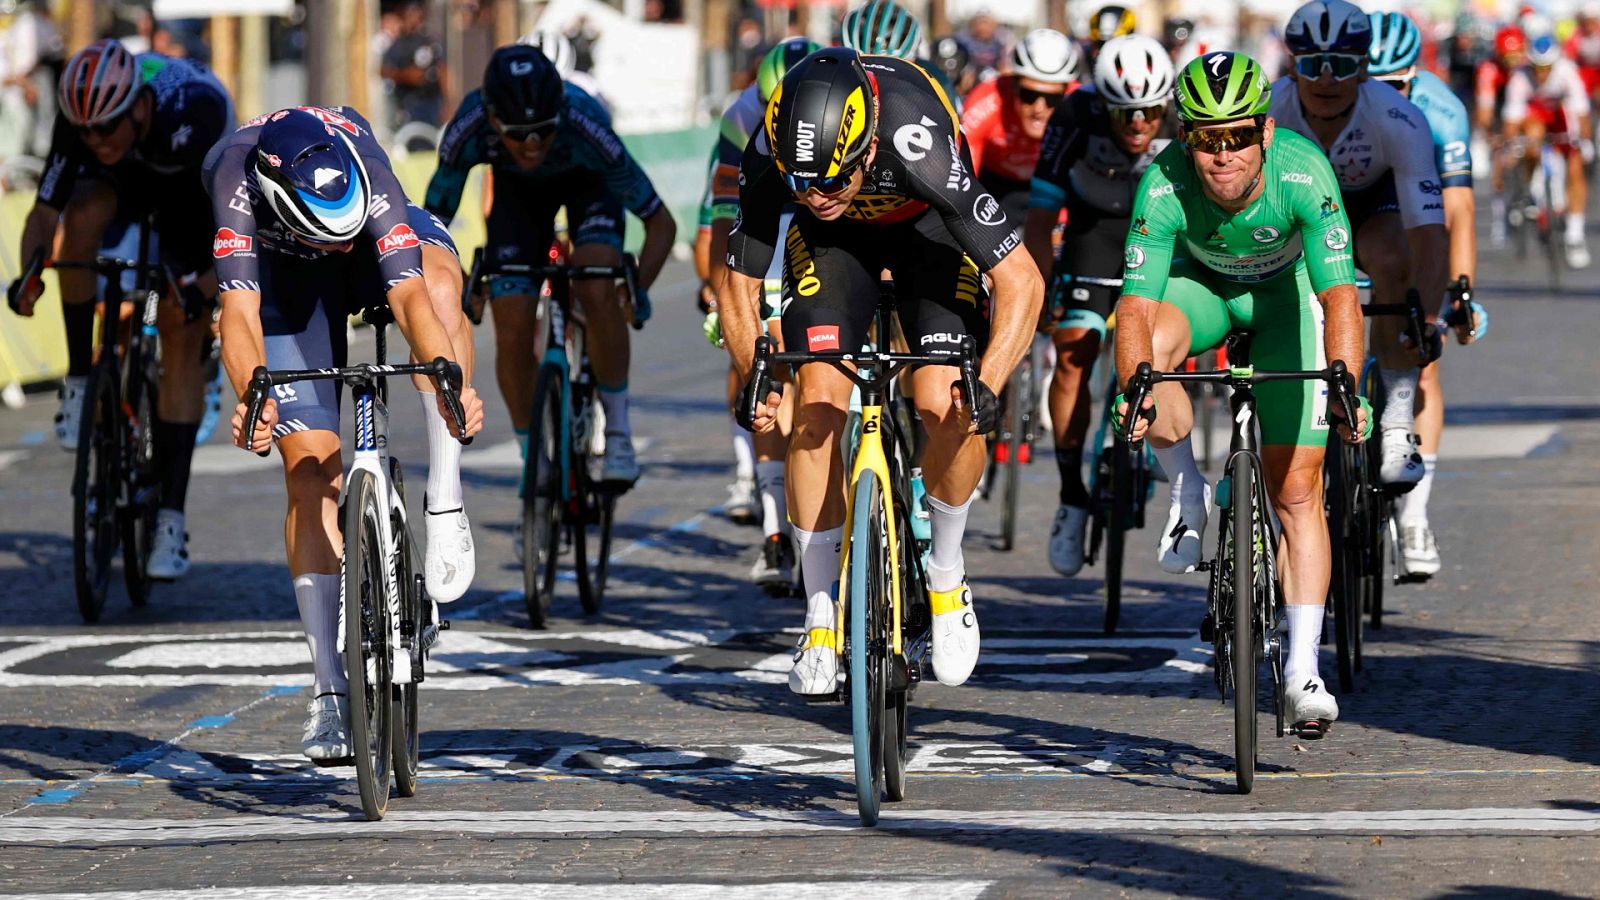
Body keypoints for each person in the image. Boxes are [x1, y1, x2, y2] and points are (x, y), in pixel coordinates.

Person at [719, 48, 1044, 694]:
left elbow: (1022, 281)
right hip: (834, 249)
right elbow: (738, 281)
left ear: (867, 149)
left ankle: (947, 578)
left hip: (929, 231)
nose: (819, 194)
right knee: (815, 399)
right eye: (803, 185)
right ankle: (818, 620)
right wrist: (755, 366)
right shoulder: (775, 149)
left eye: (834, 181)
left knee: (943, 401)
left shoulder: (915, 139)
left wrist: (991, 383)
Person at [207, 105, 484, 758]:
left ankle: (446, 494)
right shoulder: (232, 177)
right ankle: (330, 695)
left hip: (370, 246)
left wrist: (448, 380)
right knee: (309, 473)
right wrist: (254, 394)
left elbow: (411, 297)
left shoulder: (367, 163)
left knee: (441, 286)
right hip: (285, 274)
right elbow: (239, 313)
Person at [1116, 51, 1368, 735]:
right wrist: (1135, 393)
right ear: (1187, 137)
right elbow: (1136, 313)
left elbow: (1340, 296)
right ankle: (1185, 487)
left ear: (1263, 132)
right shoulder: (1165, 183)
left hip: (1287, 302)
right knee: (1148, 360)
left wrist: (1345, 386)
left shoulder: (1301, 172)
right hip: (1206, 293)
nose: (1221, 154)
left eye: (1235, 137)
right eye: (1205, 137)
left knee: (1296, 492)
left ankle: (1303, 669)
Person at [10, 40, 231, 580]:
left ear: (136, 107)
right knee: (80, 218)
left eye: (103, 128)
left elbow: (233, 231)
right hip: (124, 181)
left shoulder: (191, 116)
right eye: (83, 131)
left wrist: (205, 286)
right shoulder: (86, 123)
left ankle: (171, 520)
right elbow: (44, 213)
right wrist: (30, 275)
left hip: (191, 188)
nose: (92, 138)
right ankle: (83, 380)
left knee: (181, 323)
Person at [426, 46, 675, 496]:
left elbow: (661, 222)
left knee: (595, 279)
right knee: (512, 320)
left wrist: (636, 290)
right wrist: (461, 281)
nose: (533, 144)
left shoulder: (586, 124)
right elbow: (430, 225)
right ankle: (531, 454)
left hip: (589, 187)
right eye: (519, 134)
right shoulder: (468, 126)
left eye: (543, 130)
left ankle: (617, 432)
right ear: (493, 121)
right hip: (518, 198)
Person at [1271, 0, 1446, 498]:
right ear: (1292, 65)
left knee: (1393, 262)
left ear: (1365, 68)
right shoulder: (1269, 110)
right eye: (1311, 66)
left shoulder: (1399, 117)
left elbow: (1429, 233)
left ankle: (1395, 424)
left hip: (1373, 205)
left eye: (1343, 67)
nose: (1326, 80)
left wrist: (1428, 318)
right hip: (1295, 210)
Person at [1023, 34, 1175, 576]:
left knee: (1174, 340)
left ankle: (1164, 440)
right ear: (1103, 104)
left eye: (1151, 112)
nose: (1139, 124)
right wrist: (1038, 290)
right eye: (1126, 113)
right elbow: (1041, 216)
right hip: (1097, 232)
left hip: (1164, 235)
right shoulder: (1074, 115)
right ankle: (1070, 495)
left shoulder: (1183, 117)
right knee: (1072, 355)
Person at [693, 36, 819, 588]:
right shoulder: (743, 117)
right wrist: (726, 291)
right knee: (769, 360)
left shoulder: (847, 103)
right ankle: (775, 531)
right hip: (769, 210)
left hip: (834, 211)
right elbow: (727, 218)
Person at [1367, 10, 1480, 578]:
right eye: (1373, 83)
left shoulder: (1441, 111)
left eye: (1397, 86)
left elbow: (1456, 208)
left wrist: (1459, 291)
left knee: (1422, 356)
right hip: (1352, 204)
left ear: (1416, 77)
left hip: (1412, 209)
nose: (1385, 96)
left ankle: (1415, 515)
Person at [961, 28, 1082, 225]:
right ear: (1014, 85)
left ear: (1066, 91)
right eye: (1029, 95)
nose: (1039, 108)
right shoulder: (987, 100)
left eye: (1053, 99)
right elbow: (962, 182)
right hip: (996, 187)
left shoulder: (1079, 103)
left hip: (1055, 185)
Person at [1503, 32, 1593, 269]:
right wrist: (1514, 147)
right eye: (1537, 67)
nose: (1541, 73)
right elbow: (1511, 122)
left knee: (1575, 165)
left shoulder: (1567, 72)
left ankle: (1575, 235)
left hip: (1562, 118)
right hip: (1535, 121)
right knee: (1530, 136)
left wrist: (1582, 141)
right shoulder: (1520, 77)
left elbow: (1581, 114)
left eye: (1547, 68)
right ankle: (1532, 187)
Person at [1477, 26, 1526, 246]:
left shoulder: (1527, 66)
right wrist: (1491, 134)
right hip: (1499, 110)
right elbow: (1485, 109)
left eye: (1516, 56)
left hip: (1525, 110)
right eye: (1507, 57)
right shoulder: (1489, 69)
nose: (1512, 62)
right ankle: (1500, 218)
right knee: (1499, 159)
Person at [381, 0, 445, 129]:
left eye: (417, 14)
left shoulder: (431, 41)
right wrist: (406, 75)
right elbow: (384, 70)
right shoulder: (399, 44)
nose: (414, 19)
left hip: (431, 100)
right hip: (408, 102)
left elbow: (443, 70)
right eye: (410, 14)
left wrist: (448, 102)